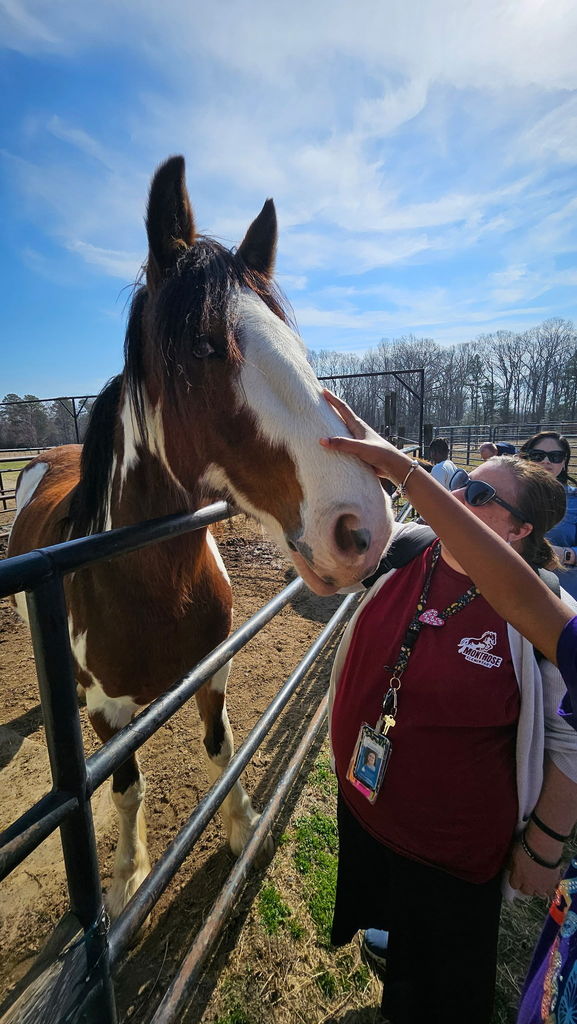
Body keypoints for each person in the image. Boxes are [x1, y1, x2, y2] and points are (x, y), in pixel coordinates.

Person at [318, 392, 577, 1024]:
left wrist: (544, 845)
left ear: (521, 532)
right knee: (396, 936)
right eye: (460, 485)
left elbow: (571, 744)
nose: (458, 498)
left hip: (452, 851)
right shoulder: (409, 548)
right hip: (369, 807)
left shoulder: (538, 615)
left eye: (482, 498)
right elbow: (335, 550)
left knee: (441, 992)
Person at [519, 431, 577, 601]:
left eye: (555, 456)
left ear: (564, 462)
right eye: (537, 455)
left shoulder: (575, 501)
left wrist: (566, 554)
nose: (546, 461)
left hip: (562, 595)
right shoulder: (509, 495)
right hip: (515, 587)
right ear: (526, 458)